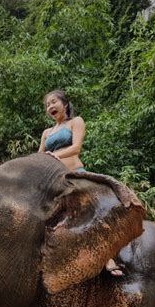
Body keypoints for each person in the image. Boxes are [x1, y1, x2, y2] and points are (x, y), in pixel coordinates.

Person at [38, 90, 124, 277]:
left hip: (76, 175)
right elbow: (39, 158)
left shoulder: (76, 122)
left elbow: (76, 147)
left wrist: (54, 155)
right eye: (47, 105)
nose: (50, 106)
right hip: (55, 182)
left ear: (65, 104)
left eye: (54, 102)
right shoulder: (46, 132)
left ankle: (108, 258)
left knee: (92, 215)